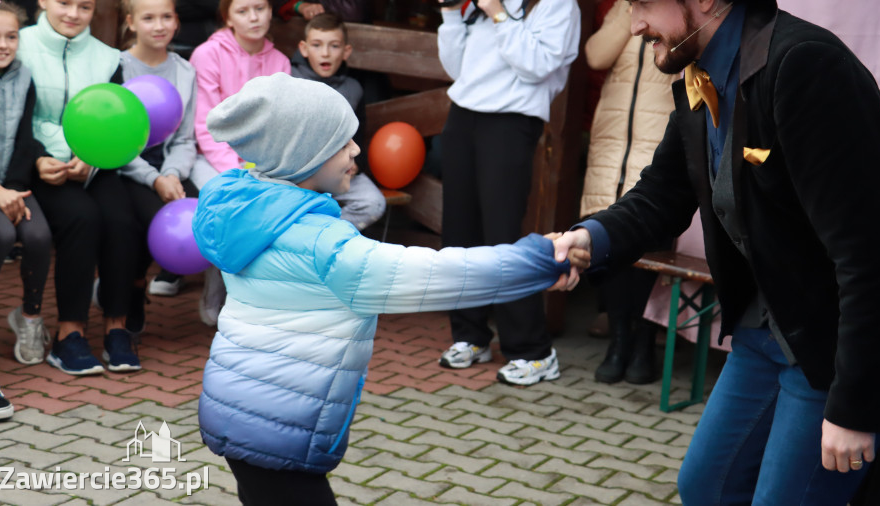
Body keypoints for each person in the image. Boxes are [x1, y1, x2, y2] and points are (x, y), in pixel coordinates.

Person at [551, 0, 880, 505]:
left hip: (834, 339)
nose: (633, 24)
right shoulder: (697, 78)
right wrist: (589, 238)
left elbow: (873, 255)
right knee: (707, 487)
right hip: (764, 328)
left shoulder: (806, 70)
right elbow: (662, 194)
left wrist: (855, 404)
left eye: (641, 3)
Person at [192, 72, 586, 505]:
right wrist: (536, 260)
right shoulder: (326, 248)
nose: (357, 150)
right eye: (342, 143)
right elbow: (444, 275)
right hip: (278, 431)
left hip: (235, 411)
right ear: (302, 157)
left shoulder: (248, 213)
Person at [436, 0, 580, 385]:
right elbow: (458, 69)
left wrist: (500, 15)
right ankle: (471, 336)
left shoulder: (556, 1)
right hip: (464, 118)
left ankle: (534, 350)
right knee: (459, 233)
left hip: (511, 124)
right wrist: (451, 16)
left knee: (502, 236)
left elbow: (538, 65)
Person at [18, 0, 143, 375]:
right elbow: (19, 120)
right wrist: (41, 158)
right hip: (40, 163)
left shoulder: (108, 59)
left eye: (84, 6)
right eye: (64, 3)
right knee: (81, 218)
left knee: (122, 220)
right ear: (43, 0)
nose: (73, 14)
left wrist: (93, 156)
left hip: (95, 163)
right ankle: (68, 334)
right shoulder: (18, 48)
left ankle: (117, 327)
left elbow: (116, 121)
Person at [581, 0, 672, 384]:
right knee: (612, 248)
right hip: (612, 146)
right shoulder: (625, 7)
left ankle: (644, 343)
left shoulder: (676, 8)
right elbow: (596, 56)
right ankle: (618, 342)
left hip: (657, 145)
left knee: (652, 250)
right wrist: (627, 7)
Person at [189, 0, 289, 323]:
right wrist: (235, 169)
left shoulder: (280, 63)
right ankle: (215, 296)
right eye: (243, 11)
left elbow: (280, 124)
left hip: (262, 160)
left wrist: (263, 167)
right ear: (228, 17)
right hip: (210, 156)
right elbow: (205, 123)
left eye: (260, 8)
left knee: (279, 209)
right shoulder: (208, 54)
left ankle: (261, 301)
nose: (254, 17)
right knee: (229, 205)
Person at [116, 0, 198, 305]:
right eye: (148, 18)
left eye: (166, 16)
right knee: (139, 219)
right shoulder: (117, 67)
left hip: (168, 166)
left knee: (198, 211)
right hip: (125, 166)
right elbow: (114, 142)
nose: (159, 25)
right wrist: (153, 179)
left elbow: (184, 139)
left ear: (176, 21)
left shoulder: (185, 70)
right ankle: (129, 291)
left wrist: (172, 174)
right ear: (131, 22)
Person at [0, 0, 53, 419]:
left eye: (11, 36)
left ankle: (28, 316)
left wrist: (13, 186)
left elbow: (25, 139)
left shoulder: (25, 77)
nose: (2, 44)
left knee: (37, 235)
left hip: (8, 186)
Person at [290, 12, 385, 229]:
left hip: (339, 172)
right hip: (297, 175)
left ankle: (322, 234)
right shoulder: (290, 81)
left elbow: (358, 137)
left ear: (346, 51)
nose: (325, 53)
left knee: (373, 202)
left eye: (334, 46)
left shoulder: (354, 89)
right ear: (304, 49)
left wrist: (355, 166)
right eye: (317, 45)